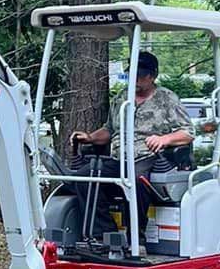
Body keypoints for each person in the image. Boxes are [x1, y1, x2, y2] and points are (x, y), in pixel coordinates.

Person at [69, 51, 194, 242]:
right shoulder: (122, 98)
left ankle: (137, 239)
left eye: (140, 75)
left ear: (151, 76)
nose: (134, 79)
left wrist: (164, 139)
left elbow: (187, 132)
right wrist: (90, 137)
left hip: (148, 157)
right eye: (132, 74)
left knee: (136, 181)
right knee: (83, 177)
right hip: (119, 158)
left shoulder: (167, 98)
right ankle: (105, 234)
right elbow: (109, 130)